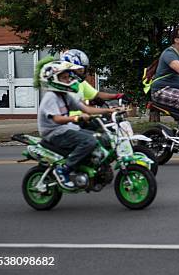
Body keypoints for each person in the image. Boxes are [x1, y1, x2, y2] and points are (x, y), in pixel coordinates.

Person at [37, 61, 119, 189]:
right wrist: (76, 118)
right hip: (54, 133)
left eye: (68, 77)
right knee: (89, 141)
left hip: (66, 129)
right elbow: (57, 119)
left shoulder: (64, 95)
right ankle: (63, 169)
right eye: (64, 78)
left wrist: (110, 111)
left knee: (102, 138)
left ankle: (90, 167)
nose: (68, 80)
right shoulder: (50, 97)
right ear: (52, 79)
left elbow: (87, 109)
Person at [60, 49, 125, 109]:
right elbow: (73, 104)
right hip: (71, 119)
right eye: (80, 69)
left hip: (85, 118)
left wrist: (118, 96)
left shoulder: (79, 82)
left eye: (83, 69)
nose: (83, 72)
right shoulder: (63, 85)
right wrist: (89, 102)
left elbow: (97, 94)